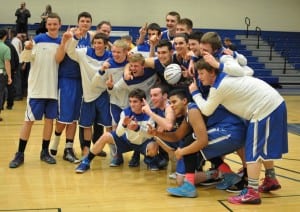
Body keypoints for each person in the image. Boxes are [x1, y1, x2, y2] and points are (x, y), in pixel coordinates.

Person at [190, 59, 288, 204]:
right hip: (272, 105)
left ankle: (252, 193)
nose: (199, 77)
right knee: (260, 149)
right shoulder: (227, 75)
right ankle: (270, 178)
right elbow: (247, 70)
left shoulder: (220, 87)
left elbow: (206, 109)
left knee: (253, 152)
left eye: (202, 73)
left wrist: (195, 93)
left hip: (265, 109)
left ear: (212, 72)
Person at [9, 13, 62, 168]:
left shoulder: (62, 42)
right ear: (46, 25)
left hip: (53, 89)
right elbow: (24, 59)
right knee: (29, 121)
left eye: (55, 24)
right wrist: (27, 47)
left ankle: (44, 151)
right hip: (37, 90)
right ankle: (20, 153)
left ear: (60, 25)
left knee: (49, 121)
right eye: (49, 24)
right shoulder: (37, 40)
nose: (52, 27)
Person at [75, 89, 157, 173]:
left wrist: (137, 128)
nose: (132, 104)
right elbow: (118, 133)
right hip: (127, 141)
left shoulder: (149, 114)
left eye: (135, 102)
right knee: (105, 136)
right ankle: (86, 161)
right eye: (130, 101)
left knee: (154, 146)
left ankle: (149, 159)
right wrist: (124, 125)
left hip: (142, 143)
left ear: (143, 102)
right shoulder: (125, 113)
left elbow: (150, 135)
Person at [49, 12, 94, 163]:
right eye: (82, 21)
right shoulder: (70, 35)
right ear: (78, 22)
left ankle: (68, 148)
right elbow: (60, 56)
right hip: (67, 79)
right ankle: (55, 141)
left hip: (82, 81)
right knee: (64, 117)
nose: (85, 23)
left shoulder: (91, 38)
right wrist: (68, 39)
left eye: (88, 21)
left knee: (74, 117)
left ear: (90, 23)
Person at [3, 32, 19, 110]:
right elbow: (16, 58)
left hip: (2, 69)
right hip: (11, 69)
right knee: (10, 87)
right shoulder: (11, 46)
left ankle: (1, 106)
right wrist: (15, 68)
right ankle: (10, 105)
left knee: (1, 88)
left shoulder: (3, 46)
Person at [0, 29, 13, 121]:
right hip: (1, 74)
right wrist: (9, 76)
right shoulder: (5, 48)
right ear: (5, 36)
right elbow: (7, 63)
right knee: (0, 94)